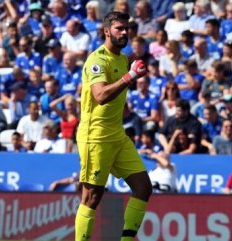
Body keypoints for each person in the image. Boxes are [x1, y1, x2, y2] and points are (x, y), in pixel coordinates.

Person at [75, 12, 152, 241]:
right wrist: (130, 77)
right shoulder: (97, 60)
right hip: (95, 136)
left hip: (117, 134)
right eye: (119, 28)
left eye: (127, 28)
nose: (125, 32)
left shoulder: (122, 58)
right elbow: (100, 95)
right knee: (92, 196)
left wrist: (129, 75)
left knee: (143, 187)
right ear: (106, 31)